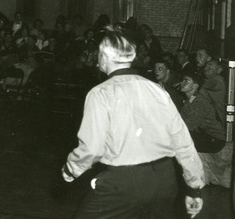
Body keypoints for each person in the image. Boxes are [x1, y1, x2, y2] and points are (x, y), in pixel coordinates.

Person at [61, 26, 205, 218]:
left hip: (123, 183)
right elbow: (182, 140)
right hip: (164, 180)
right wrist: (195, 188)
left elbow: (92, 148)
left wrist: (71, 170)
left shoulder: (100, 93)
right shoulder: (156, 89)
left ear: (103, 58)